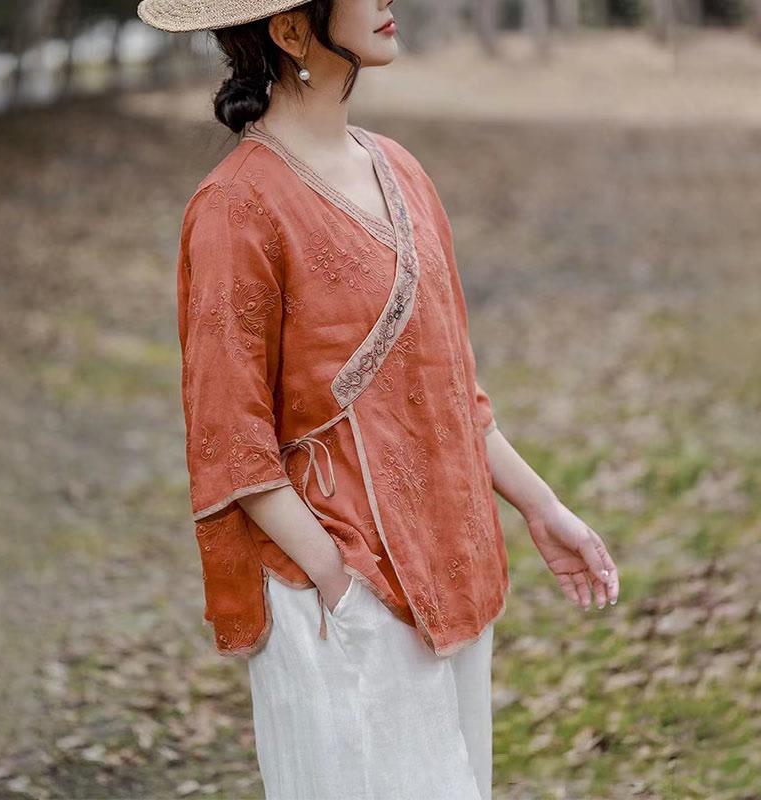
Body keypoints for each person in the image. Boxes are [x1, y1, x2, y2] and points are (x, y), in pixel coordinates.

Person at [137, 2, 621, 798]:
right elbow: (229, 439)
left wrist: (540, 507)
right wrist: (337, 581)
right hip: (342, 601)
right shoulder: (235, 209)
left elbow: (449, 390)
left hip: (447, 563)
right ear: (292, 31)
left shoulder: (401, 168)